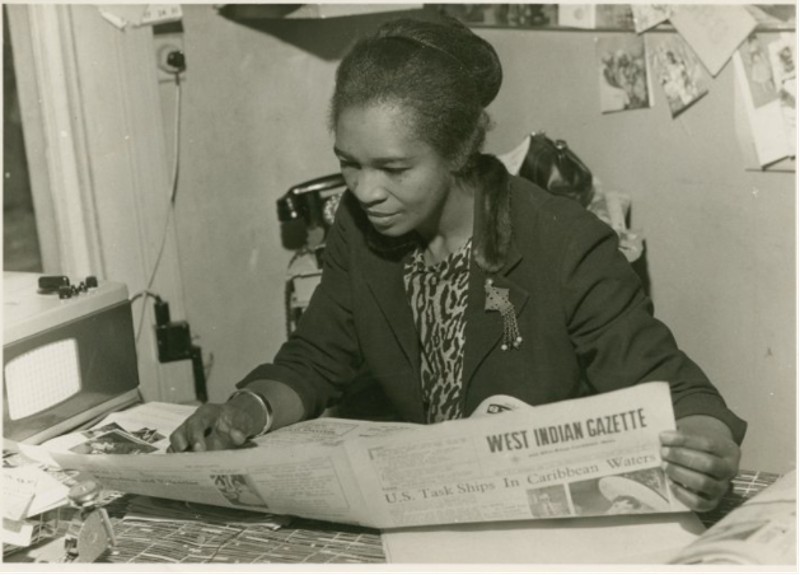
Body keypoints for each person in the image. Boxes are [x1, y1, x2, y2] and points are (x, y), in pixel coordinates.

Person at [170, 16, 746, 513]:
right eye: (349, 162)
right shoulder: (357, 225)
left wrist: (706, 446)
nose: (365, 190)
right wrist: (249, 409)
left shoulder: (564, 241)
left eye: (394, 169)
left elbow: (676, 391)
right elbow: (318, 357)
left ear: (458, 151)